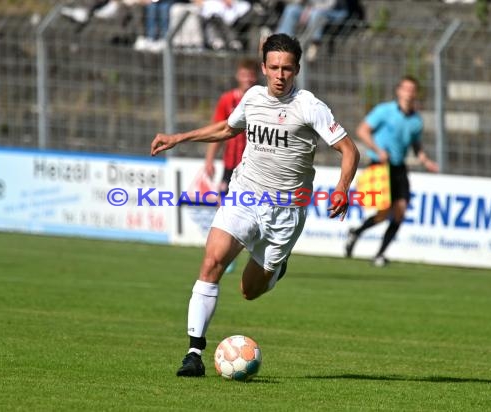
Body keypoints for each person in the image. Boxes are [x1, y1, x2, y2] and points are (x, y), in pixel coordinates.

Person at [150, 33, 360, 377]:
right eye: (274, 68)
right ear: (263, 68)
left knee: (249, 291)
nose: (280, 75)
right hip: (245, 195)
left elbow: (349, 150)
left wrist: (342, 188)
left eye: (287, 69)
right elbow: (228, 129)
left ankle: (277, 268)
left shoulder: (310, 107)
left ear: (297, 70)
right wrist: (179, 138)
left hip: (286, 212)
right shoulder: (252, 98)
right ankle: (193, 352)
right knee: (213, 260)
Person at [345, 75, 439, 267]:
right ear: (399, 91)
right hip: (380, 165)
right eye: (406, 88)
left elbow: (416, 144)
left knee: (400, 211)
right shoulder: (384, 111)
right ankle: (357, 232)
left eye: (412, 90)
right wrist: (379, 150)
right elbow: (362, 130)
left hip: (399, 167)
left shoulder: (416, 120)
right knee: (383, 212)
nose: (409, 93)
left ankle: (378, 254)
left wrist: (425, 160)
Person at [203, 57, 259, 273]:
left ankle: (250, 251)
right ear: (238, 76)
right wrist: (209, 160)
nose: (247, 78)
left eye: (251, 74)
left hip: (254, 168)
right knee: (224, 207)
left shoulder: (263, 99)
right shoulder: (227, 100)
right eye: (244, 74)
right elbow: (218, 130)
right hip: (230, 165)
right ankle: (226, 252)